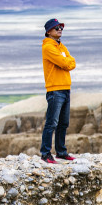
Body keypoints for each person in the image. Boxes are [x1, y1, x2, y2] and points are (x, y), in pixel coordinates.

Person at [40, 17, 77, 164]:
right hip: (55, 89)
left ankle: (61, 152)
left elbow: (71, 62)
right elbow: (65, 62)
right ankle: (46, 153)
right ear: (49, 31)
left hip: (65, 88)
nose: (60, 29)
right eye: (57, 28)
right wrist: (67, 62)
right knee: (52, 122)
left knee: (63, 123)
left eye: (61, 27)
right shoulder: (48, 47)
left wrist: (67, 62)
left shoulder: (61, 46)